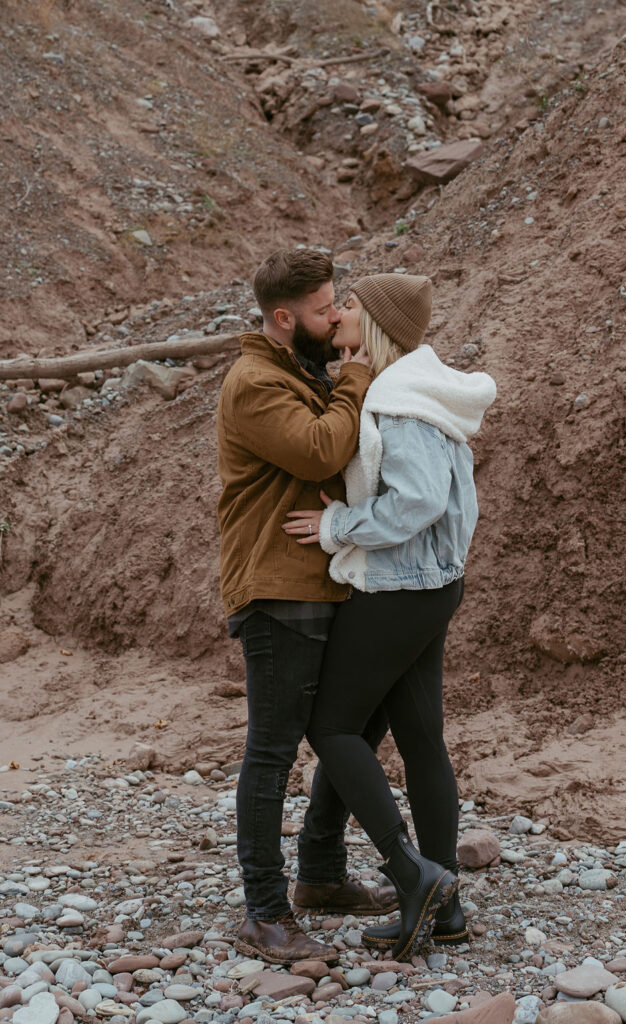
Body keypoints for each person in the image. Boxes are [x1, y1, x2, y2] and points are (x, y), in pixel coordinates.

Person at [283, 273, 496, 960]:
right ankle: (447, 909)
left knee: (331, 724)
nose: (337, 312)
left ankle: (413, 878)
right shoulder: (418, 389)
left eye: (348, 305)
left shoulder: (399, 400)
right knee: (419, 737)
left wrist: (337, 524)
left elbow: (418, 501)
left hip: (401, 586)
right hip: (433, 583)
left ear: (374, 321)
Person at [216, 249, 398, 966]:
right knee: (271, 750)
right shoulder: (256, 381)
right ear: (285, 318)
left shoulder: (296, 368)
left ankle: (319, 874)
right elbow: (322, 451)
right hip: (276, 588)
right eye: (326, 309)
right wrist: (356, 374)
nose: (337, 315)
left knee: (350, 724)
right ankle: (263, 912)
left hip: (319, 583)